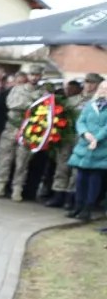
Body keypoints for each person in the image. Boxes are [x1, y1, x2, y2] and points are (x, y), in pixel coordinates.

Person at [0, 65, 46, 199]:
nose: (34, 77)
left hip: (29, 130)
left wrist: (31, 104)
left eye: (37, 75)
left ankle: (17, 189)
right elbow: (11, 104)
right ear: (28, 75)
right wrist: (31, 103)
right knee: (4, 159)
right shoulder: (17, 89)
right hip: (11, 127)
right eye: (32, 74)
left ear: (40, 76)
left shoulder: (43, 93)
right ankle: (0, 186)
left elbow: (45, 109)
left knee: (22, 162)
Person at [48, 76, 95, 208]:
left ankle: (71, 196)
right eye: (87, 82)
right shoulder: (72, 100)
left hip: (83, 139)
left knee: (76, 168)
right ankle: (58, 193)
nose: (89, 86)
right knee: (62, 165)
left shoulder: (97, 102)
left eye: (93, 83)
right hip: (67, 136)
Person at [67, 88, 107, 222]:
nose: (103, 91)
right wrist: (85, 133)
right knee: (80, 177)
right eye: (102, 88)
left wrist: (97, 138)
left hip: (102, 146)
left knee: (94, 177)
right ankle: (78, 205)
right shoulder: (90, 104)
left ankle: (88, 208)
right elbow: (81, 121)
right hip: (85, 145)